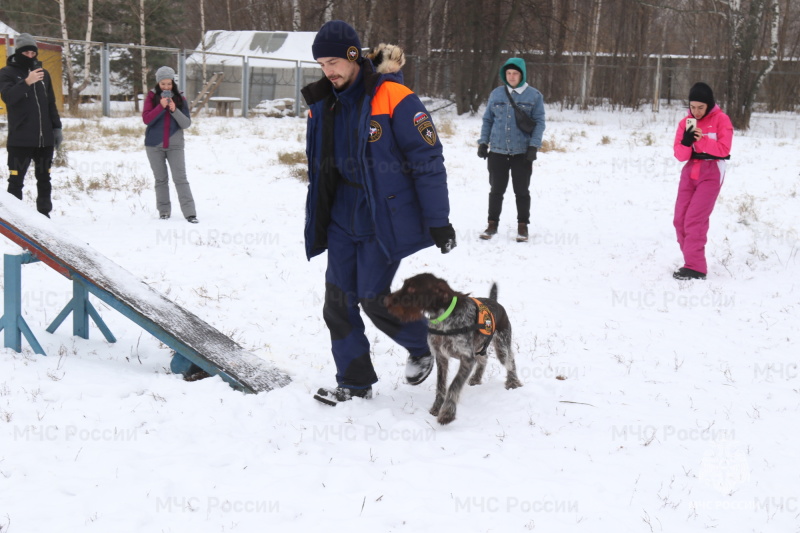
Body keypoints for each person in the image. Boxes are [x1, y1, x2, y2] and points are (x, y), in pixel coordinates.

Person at [301, 20, 456, 405]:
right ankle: (354, 382)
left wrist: (439, 220)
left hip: (379, 218)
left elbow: (428, 160)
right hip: (339, 216)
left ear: (354, 56)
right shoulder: (324, 101)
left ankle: (425, 345)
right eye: (322, 64)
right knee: (336, 302)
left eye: (334, 61)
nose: (328, 71)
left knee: (372, 298)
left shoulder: (394, 96)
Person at [477, 57, 545, 242]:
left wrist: (533, 146)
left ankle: (523, 226)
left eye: (515, 73)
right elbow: (488, 120)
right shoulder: (496, 94)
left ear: (522, 74)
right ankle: (492, 224)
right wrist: (483, 142)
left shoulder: (534, 96)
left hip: (521, 153)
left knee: (521, 191)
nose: (512, 77)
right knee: (496, 190)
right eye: (508, 73)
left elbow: (539, 123)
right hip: (497, 151)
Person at [672, 82, 733, 280]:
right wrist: (686, 142)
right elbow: (680, 156)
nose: (696, 112)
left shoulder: (721, 120)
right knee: (680, 219)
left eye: (700, 107)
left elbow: (724, 149)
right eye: (692, 107)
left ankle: (696, 267)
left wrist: (702, 140)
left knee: (694, 219)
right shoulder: (685, 123)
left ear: (709, 105)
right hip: (690, 172)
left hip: (712, 171)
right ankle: (690, 260)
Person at [0, 33, 62, 218]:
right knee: (16, 180)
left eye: (33, 52)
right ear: (18, 53)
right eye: (26, 52)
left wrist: (56, 128)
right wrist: (26, 82)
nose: (30, 56)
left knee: (44, 179)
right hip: (20, 140)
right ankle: (16, 220)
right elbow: (8, 97)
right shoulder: (6, 73)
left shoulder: (45, 74)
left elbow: (51, 103)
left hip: (44, 140)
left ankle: (44, 215)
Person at [142, 66, 198, 223]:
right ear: (158, 83)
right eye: (163, 84)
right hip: (154, 145)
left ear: (173, 82)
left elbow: (186, 123)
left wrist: (174, 110)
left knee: (180, 178)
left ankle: (190, 213)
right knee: (160, 179)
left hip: (175, 146)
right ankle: (164, 211)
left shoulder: (180, 99)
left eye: (169, 83)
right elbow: (147, 119)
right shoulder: (151, 98)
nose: (166, 87)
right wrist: (160, 106)